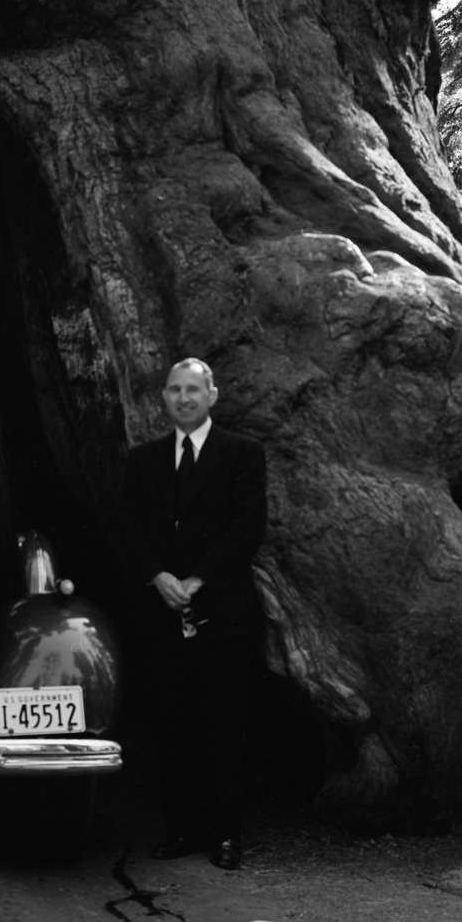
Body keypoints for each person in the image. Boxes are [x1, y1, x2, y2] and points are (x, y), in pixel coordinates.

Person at [119, 357, 268, 871]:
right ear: (163, 397)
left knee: (223, 725)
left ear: (212, 395)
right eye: (175, 390)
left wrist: (197, 581)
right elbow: (129, 529)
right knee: (171, 724)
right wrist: (158, 578)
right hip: (160, 611)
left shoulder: (243, 456)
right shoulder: (142, 461)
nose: (185, 398)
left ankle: (225, 835)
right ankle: (180, 830)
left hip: (221, 610)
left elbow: (247, 528)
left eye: (194, 390)